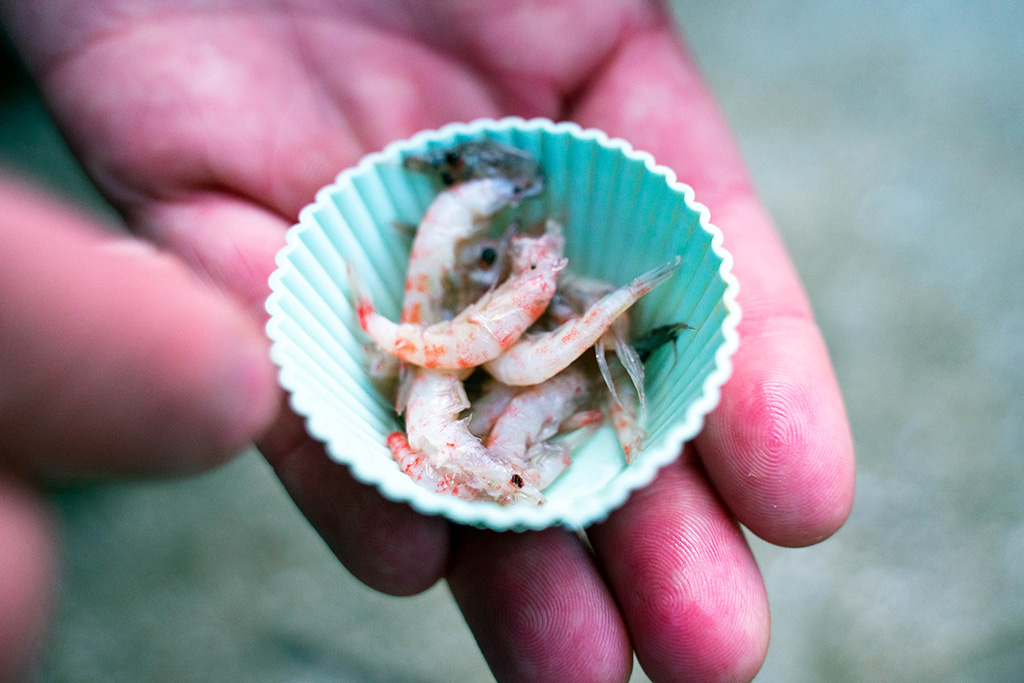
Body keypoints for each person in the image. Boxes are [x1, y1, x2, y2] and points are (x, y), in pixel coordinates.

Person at [0, 1, 855, 681]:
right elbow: (491, 371)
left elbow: (503, 371)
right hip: (444, 367)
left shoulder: (496, 358)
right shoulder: (480, 371)